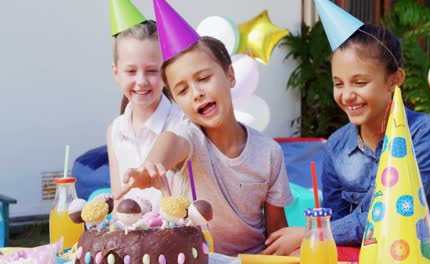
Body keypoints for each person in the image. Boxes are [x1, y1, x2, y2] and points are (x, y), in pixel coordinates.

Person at [263, 24, 430, 263]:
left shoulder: (423, 132)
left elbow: (394, 214)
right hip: (360, 253)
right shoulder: (336, 146)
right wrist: (318, 234)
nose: (347, 95)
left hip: (416, 254)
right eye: (339, 83)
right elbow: (335, 219)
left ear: (394, 80)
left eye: (360, 82)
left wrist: (311, 232)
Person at [116, 35, 294, 256]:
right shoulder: (190, 137)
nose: (197, 93)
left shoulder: (269, 152)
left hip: (252, 259)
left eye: (203, 78)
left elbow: (277, 232)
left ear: (230, 75)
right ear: (176, 102)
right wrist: (152, 164)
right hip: (197, 259)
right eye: (182, 91)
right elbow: (170, 142)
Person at [108, 20, 187, 213]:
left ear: (166, 73)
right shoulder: (115, 130)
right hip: (128, 238)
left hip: (173, 236)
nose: (141, 81)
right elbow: (119, 201)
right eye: (131, 71)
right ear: (116, 73)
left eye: (152, 71)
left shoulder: (182, 124)